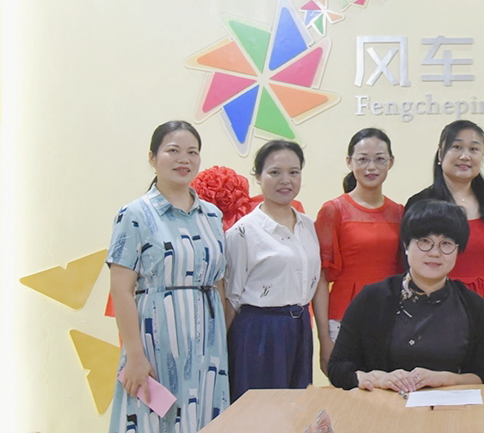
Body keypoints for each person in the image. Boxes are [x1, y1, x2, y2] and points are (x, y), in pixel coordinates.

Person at [106, 121, 229, 432]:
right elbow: (121, 290)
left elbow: (218, 283)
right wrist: (135, 356)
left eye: (192, 152)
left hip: (208, 344)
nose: (183, 159)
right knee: (154, 419)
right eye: (172, 151)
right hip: (156, 341)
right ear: (152, 157)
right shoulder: (134, 214)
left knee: (205, 417)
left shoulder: (212, 215)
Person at [327, 199, 484, 391]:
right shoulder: (372, 299)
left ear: (458, 250)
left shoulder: (474, 306)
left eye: (446, 244)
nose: (435, 253)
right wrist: (377, 378)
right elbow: (337, 368)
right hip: (383, 405)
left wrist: (445, 379)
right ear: (406, 245)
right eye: (425, 241)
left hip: (450, 406)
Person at [224, 140, 324, 400]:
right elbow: (231, 298)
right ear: (258, 176)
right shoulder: (243, 232)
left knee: (296, 408)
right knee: (259, 412)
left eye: (294, 172)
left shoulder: (309, 226)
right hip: (259, 332)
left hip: (300, 327)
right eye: (275, 172)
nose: (285, 180)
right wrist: (220, 353)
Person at [406, 120, 484, 356]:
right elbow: (409, 264)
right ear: (440, 154)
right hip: (432, 307)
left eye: (474, 149)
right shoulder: (420, 203)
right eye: (457, 147)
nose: (465, 156)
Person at [314, 128, 404, 372]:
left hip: (392, 316)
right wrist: (324, 338)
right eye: (362, 159)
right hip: (344, 317)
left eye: (379, 159)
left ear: (391, 162)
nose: (371, 167)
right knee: (350, 389)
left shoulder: (400, 212)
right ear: (349, 162)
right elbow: (320, 278)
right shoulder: (333, 210)